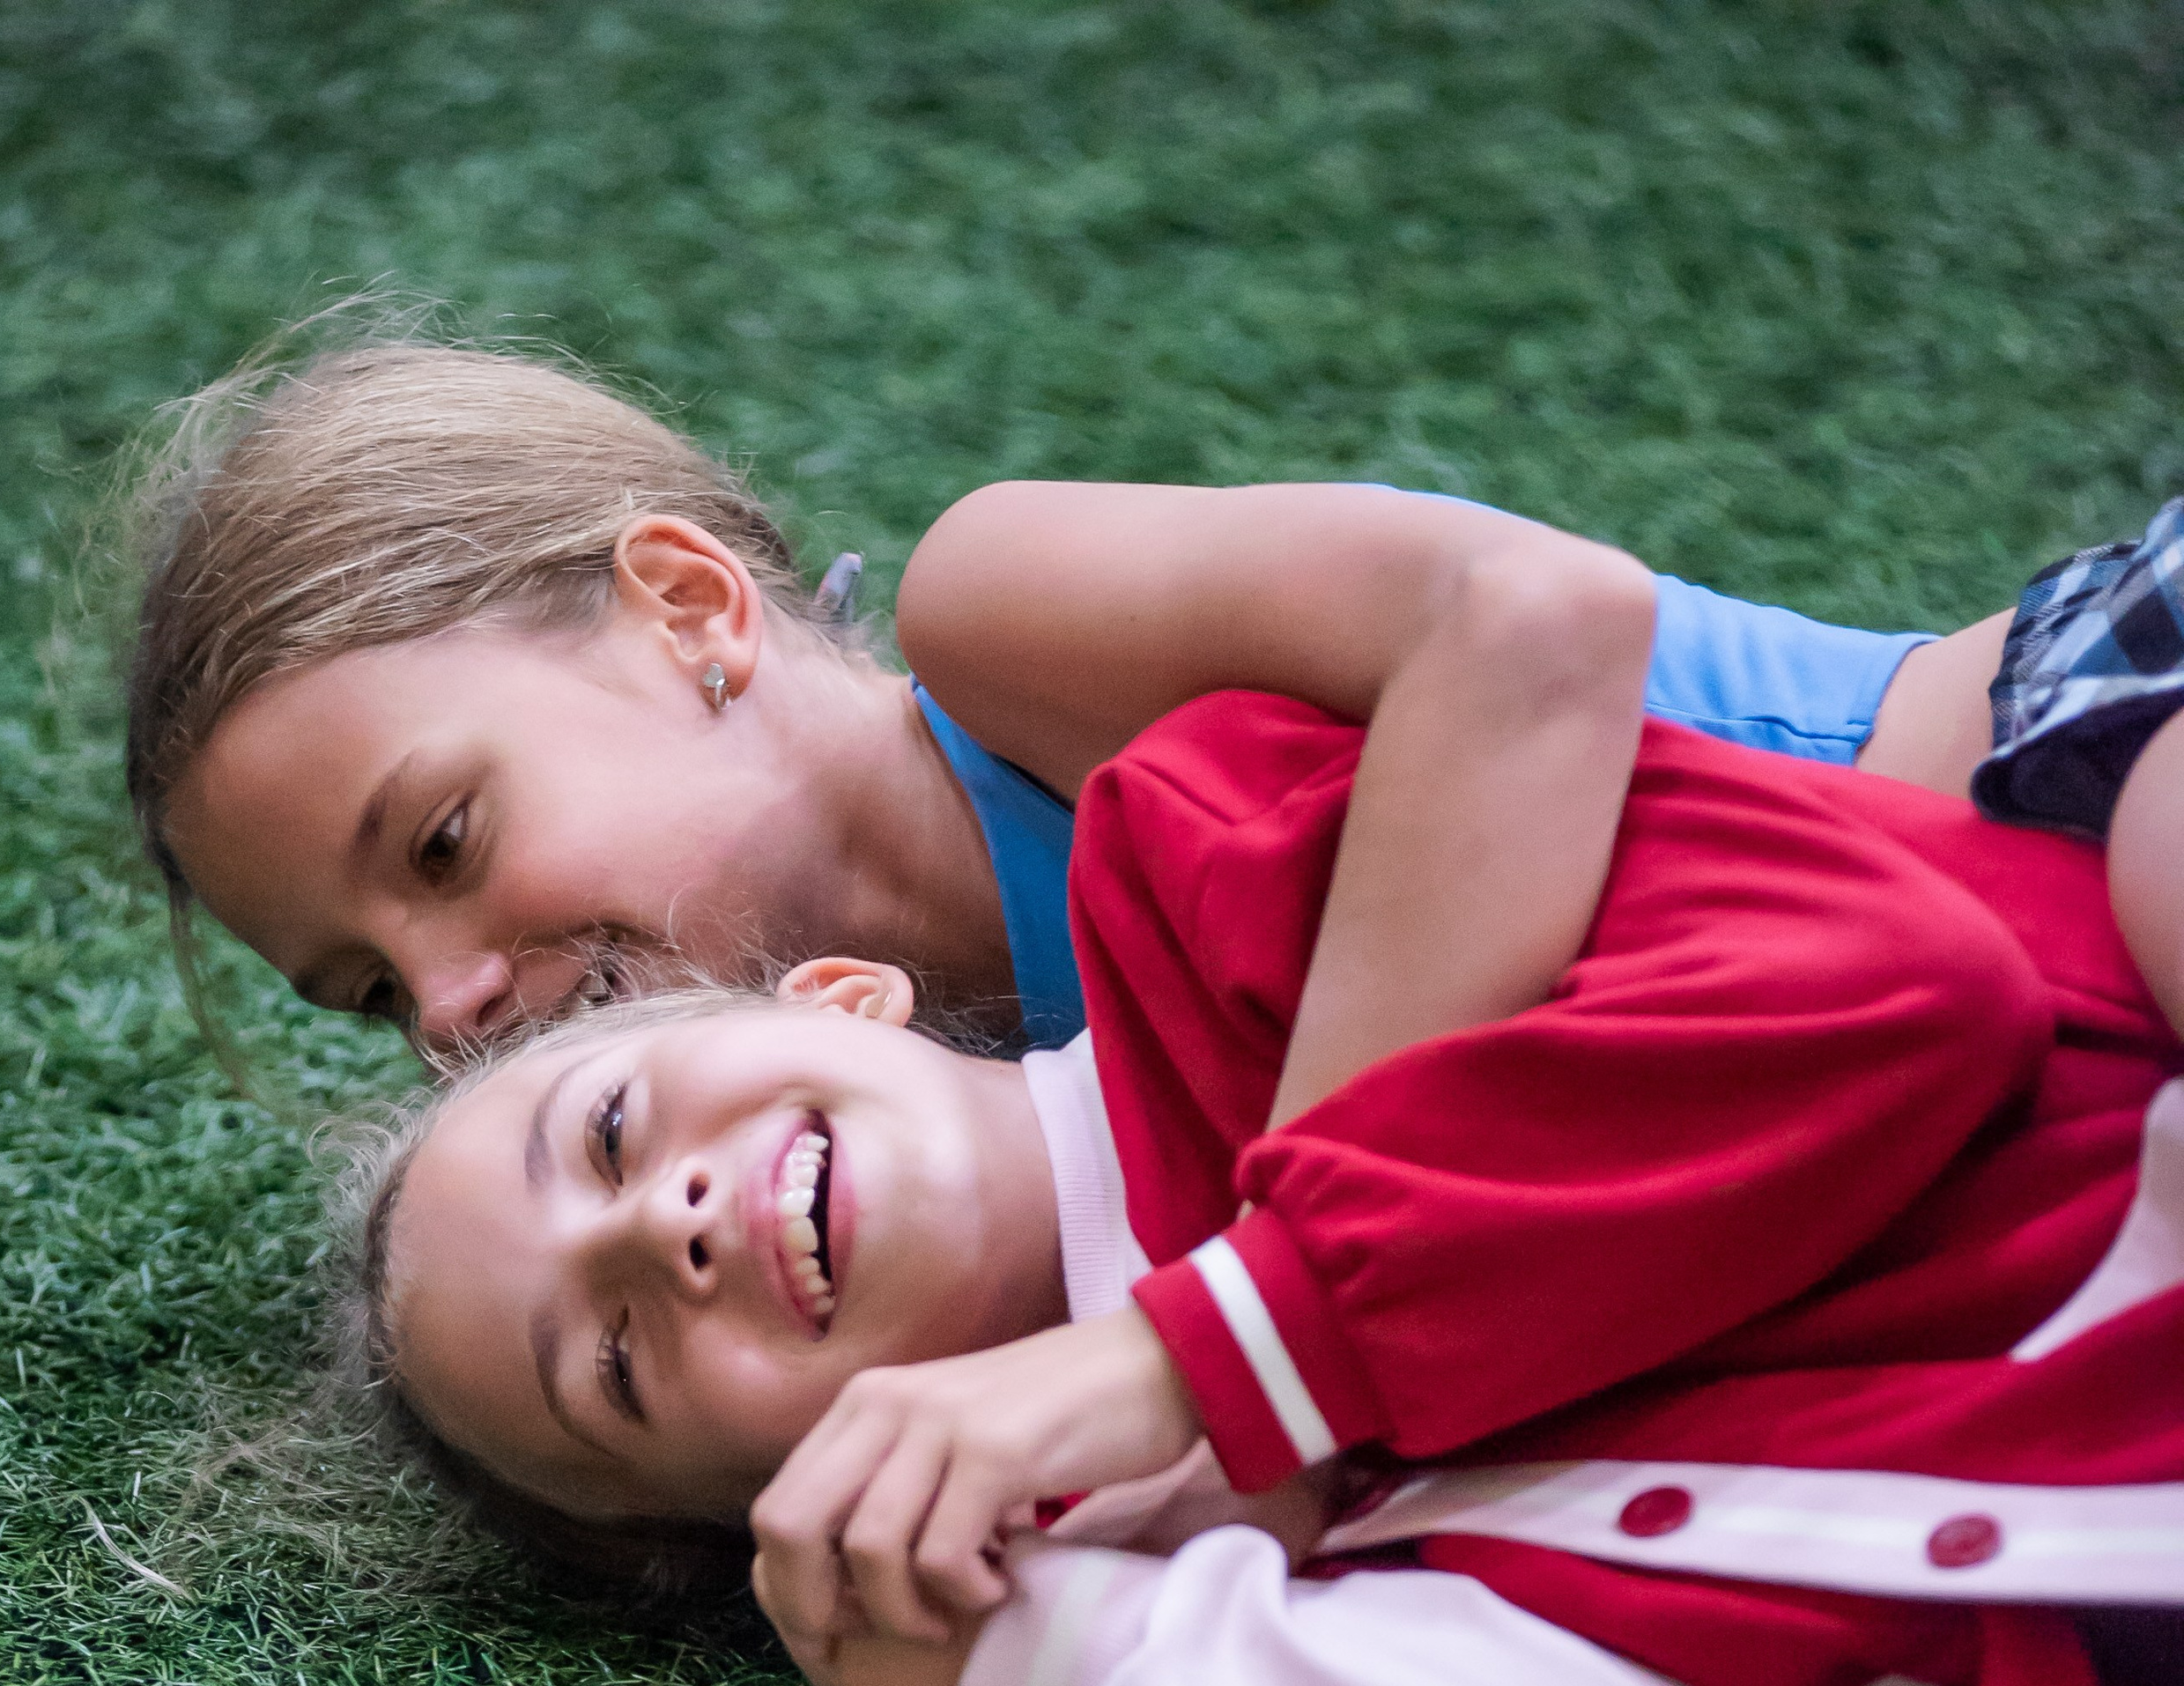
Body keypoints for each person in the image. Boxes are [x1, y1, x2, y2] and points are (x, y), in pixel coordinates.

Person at [327, 694, 2184, 1686]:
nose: (666, 1230)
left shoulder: (1215, 867)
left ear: (837, 999)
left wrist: (1204, 1346)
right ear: (775, 1513)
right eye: (621, 1367)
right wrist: (1025, 1660)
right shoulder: (1258, 1599)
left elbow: (1897, 992)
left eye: (614, 1129)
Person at [130, 329, 2057, 1162]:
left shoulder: (1007, 625)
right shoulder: (917, 1152)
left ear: (691, 613)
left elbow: (1535, 623)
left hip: (2043, 780)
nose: (455, 1010)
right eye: (367, 994)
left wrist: (1270, 1304)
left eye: (445, 843)